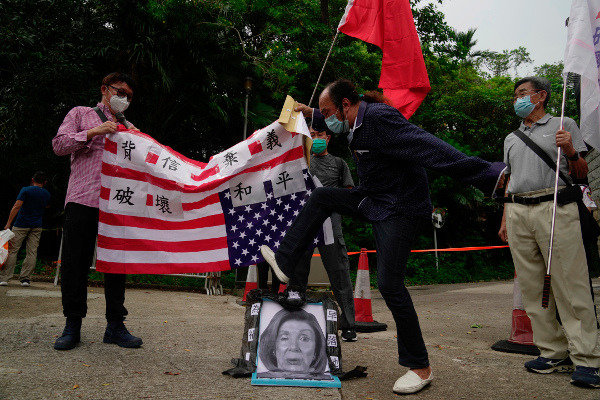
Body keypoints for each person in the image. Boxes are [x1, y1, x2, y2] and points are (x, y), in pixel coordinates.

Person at [261, 79, 506, 394]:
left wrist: (489, 174)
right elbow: (327, 117)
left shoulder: (380, 118)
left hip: (401, 208)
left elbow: (430, 147)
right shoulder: (353, 119)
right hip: (374, 199)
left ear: (346, 106)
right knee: (321, 198)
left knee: (390, 283)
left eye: (328, 112)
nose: (325, 120)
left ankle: (420, 367)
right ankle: (285, 260)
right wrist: (309, 111)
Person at [498, 76, 600, 388]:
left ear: (541, 96)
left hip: (555, 206)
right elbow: (509, 180)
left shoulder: (563, 123)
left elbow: (581, 173)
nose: (518, 100)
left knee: (570, 283)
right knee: (532, 288)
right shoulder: (512, 138)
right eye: (515, 95)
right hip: (517, 210)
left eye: (523, 93)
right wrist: (505, 219)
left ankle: (587, 359)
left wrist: (570, 150)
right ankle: (553, 350)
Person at [51, 72, 142, 351]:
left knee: (116, 265)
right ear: (104, 89)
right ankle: (72, 324)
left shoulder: (131, 128)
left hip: (116, 205)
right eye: (119, 92)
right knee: (74, 264)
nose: (123, 99)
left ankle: (115, 325)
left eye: (128, 95)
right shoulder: (80, 113)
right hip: (83, 198)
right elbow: (59, 145)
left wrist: (141, 144)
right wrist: (92, 132)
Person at [291, 120, 358, 342]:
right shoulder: (300, 161)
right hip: (304, 222)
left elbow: (350, 194)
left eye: (319, 134)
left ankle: (348, 325)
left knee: (339, 273)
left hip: (331, 223)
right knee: (297, 272)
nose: (315, 138)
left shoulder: (339, 164)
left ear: (328, 137)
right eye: (311, 134)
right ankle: (292, 319)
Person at [0, 171, 51, 286]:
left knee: (13, 250)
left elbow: (17, 206)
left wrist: (8, 223)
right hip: (37, 225)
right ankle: (25, 279)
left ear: (32, 180)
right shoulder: (47, 194)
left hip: (21, 224)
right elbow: (47, 206)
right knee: (32, 252)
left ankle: (5, 278)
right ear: (45, 182)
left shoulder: (25, 190)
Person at [258, 307, 329, 379]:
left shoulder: (328, 380)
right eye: (284, 338)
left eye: (304, 339)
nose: (293, 347)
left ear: (316, 351)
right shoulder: (259, 378)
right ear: (273, 348)